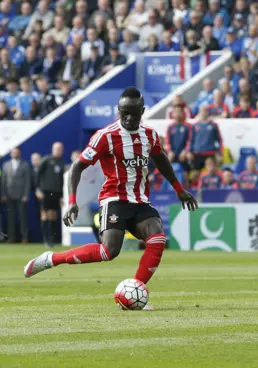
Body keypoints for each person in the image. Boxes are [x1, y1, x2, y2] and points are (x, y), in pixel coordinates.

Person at [24, 88, 198, 292]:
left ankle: (136, 289)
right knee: (109, 251)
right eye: (125, 113)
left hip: (140, 200)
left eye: (134, 113)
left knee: (158, 237)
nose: (129, 118)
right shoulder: (105, 136)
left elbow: (161, 159)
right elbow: (77, 167)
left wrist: (179, 189)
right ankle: (52, 259)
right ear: (119, 110)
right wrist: (73, 201)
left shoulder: (149, 135)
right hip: (114, 199)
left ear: (142, 111)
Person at [35, 142, 66, 247]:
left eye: (60, 149)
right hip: (45, 192)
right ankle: (45, 240)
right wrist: (37, 189)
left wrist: (62, 196)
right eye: (57, 148)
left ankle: (52, 240)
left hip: (56, 193)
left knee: (53, 215)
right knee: (44, 214)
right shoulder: (46, 160)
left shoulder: (61, 163)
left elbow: (62, 181)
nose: (58, 151)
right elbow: (37, 175)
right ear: (53, 149)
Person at [1, 147, 31, 243]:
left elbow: (27, 181)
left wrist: (26, 194)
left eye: (17, 152)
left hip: (21, 195)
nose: (15, 153)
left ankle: (24, 238)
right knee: (11, 218)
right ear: (11, 154)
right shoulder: (6, 165)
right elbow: (3, 181)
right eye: (14, 152)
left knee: (23, 218)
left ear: (20, 153)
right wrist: (3, 194)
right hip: (9, 195)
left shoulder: (25, 165)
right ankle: (11, 238)